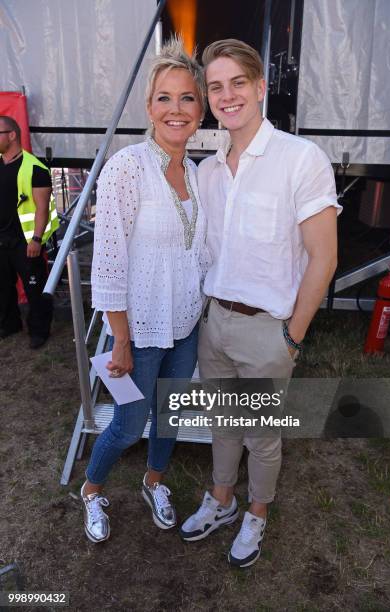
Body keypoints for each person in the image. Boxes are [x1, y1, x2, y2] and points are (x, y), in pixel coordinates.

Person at [180, 39, 342, 567]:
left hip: (268, 330)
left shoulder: (301, 158)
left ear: (260, 88)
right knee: (222, 424)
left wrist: (292, 335)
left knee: (262, 435)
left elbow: (324, 259)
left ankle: (257, 513)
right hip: (216, 322)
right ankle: (222, 499)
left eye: (238, 84)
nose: (227, 96)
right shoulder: (207, 171)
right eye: (216, 86)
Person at [81, 38, 209, 543]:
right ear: (149, 107)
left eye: (187, 98)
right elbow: (109, 262)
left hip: (184, 327)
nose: (176, 109)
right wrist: (122, 340)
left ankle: (154, 481)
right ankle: (92, 490)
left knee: (170, 418)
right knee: (128, 425)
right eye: (165, 98)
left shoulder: (197, 174)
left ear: (200, 109)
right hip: (136, 331)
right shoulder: (126, 167)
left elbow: (197, 254)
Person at [0, 116, 58, 349]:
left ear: (11, 135)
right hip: (1, 240)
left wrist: (36, 239)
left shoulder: (34, 167)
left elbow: (42, 207)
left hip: (25, 242)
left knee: (35, 290)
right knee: (3, 288)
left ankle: (39, 331)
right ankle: (10, 324)